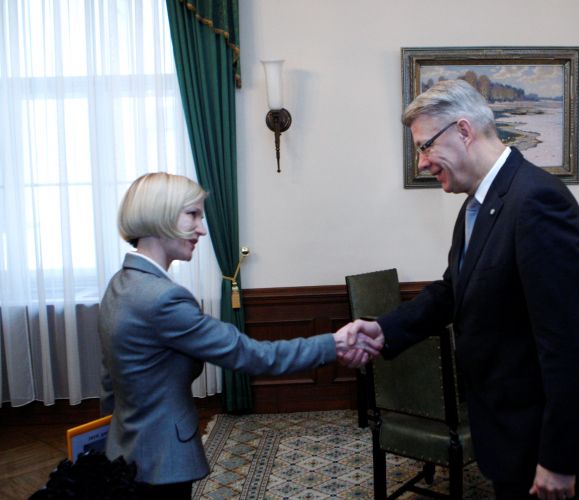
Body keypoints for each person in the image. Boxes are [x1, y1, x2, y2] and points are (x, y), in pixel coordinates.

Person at [347, 79, 579, 499]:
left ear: (463, 131)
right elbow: (454, 290)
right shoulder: (478, 205)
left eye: (424, 146)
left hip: (541, 443)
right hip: (509, 432)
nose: (422, 163)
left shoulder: (536, 202)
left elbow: (571, 344)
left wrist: (560, 458)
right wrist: (384, 329)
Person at [98, 172, 383, 499]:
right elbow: (250, 355)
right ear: (158, 216)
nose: (202, 229)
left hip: (126, 447)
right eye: (192, 215)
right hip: (162, 460)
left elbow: (110, 378)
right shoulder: (162, 299)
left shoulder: (121, 283)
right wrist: (334, 343)